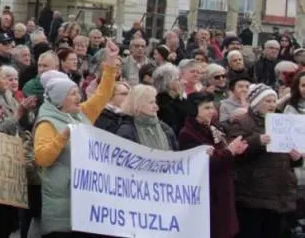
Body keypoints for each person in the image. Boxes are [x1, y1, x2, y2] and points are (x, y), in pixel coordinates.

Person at [33, 39, 120, 238]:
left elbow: (103, 94)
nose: (78, 97)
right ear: (60, 99)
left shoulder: (81, 114)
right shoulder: (47, 123)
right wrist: (63, 137)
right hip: (61, 209)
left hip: (85, 204)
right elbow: (42, 158)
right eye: (73, 94)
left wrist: (111, 62)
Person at [229, 83, 303, 238]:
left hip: (279, 192)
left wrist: (296, 158)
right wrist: (258, 141)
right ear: (256, 102)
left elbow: (287, 156)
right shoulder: (242, 122)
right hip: (253, 194)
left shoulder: (282, 122)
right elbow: (234, 153)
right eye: (267, 101)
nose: (272, 105)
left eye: (274, 101)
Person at [178, 92, 248, 238]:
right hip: (208, 194)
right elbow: (203, 164)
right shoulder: (188, 133)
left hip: (222, 190)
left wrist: (235, 152)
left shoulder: (214, 129)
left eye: (212, 107)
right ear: (194, 110)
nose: (212, 111)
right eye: (206, 108)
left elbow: (220, 155)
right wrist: (229, 151)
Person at [115, 84, 178, 150]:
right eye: (151, 102)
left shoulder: (165, 129)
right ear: (137, 104)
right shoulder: (127, 131)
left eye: (155, 102)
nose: (156, 107)